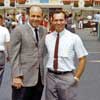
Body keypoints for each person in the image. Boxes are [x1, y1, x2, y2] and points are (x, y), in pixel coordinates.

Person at [43, 9, 88, 100]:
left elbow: (83, 58)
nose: (59, 23)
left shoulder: (74, 38)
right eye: (56, 20)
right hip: (50, 76)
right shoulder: (47, 38)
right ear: (52, 21)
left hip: (66, 77)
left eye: (61, 20)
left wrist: (76, 78)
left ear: (65, 21)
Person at [10, 6, 47, 100]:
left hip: (39, 80)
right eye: (33, 16)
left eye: (38, 16)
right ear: (28, 16)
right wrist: (16, 76)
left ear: (42, 17)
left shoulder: (44, 31)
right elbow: (13, 55)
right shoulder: (19, 30)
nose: (35, 18)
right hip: (23, 79)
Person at [0, 15, 10, 86]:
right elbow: (8, 43)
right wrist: (8, 55)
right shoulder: (4, 30)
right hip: (1, 54)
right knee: (0, 70)